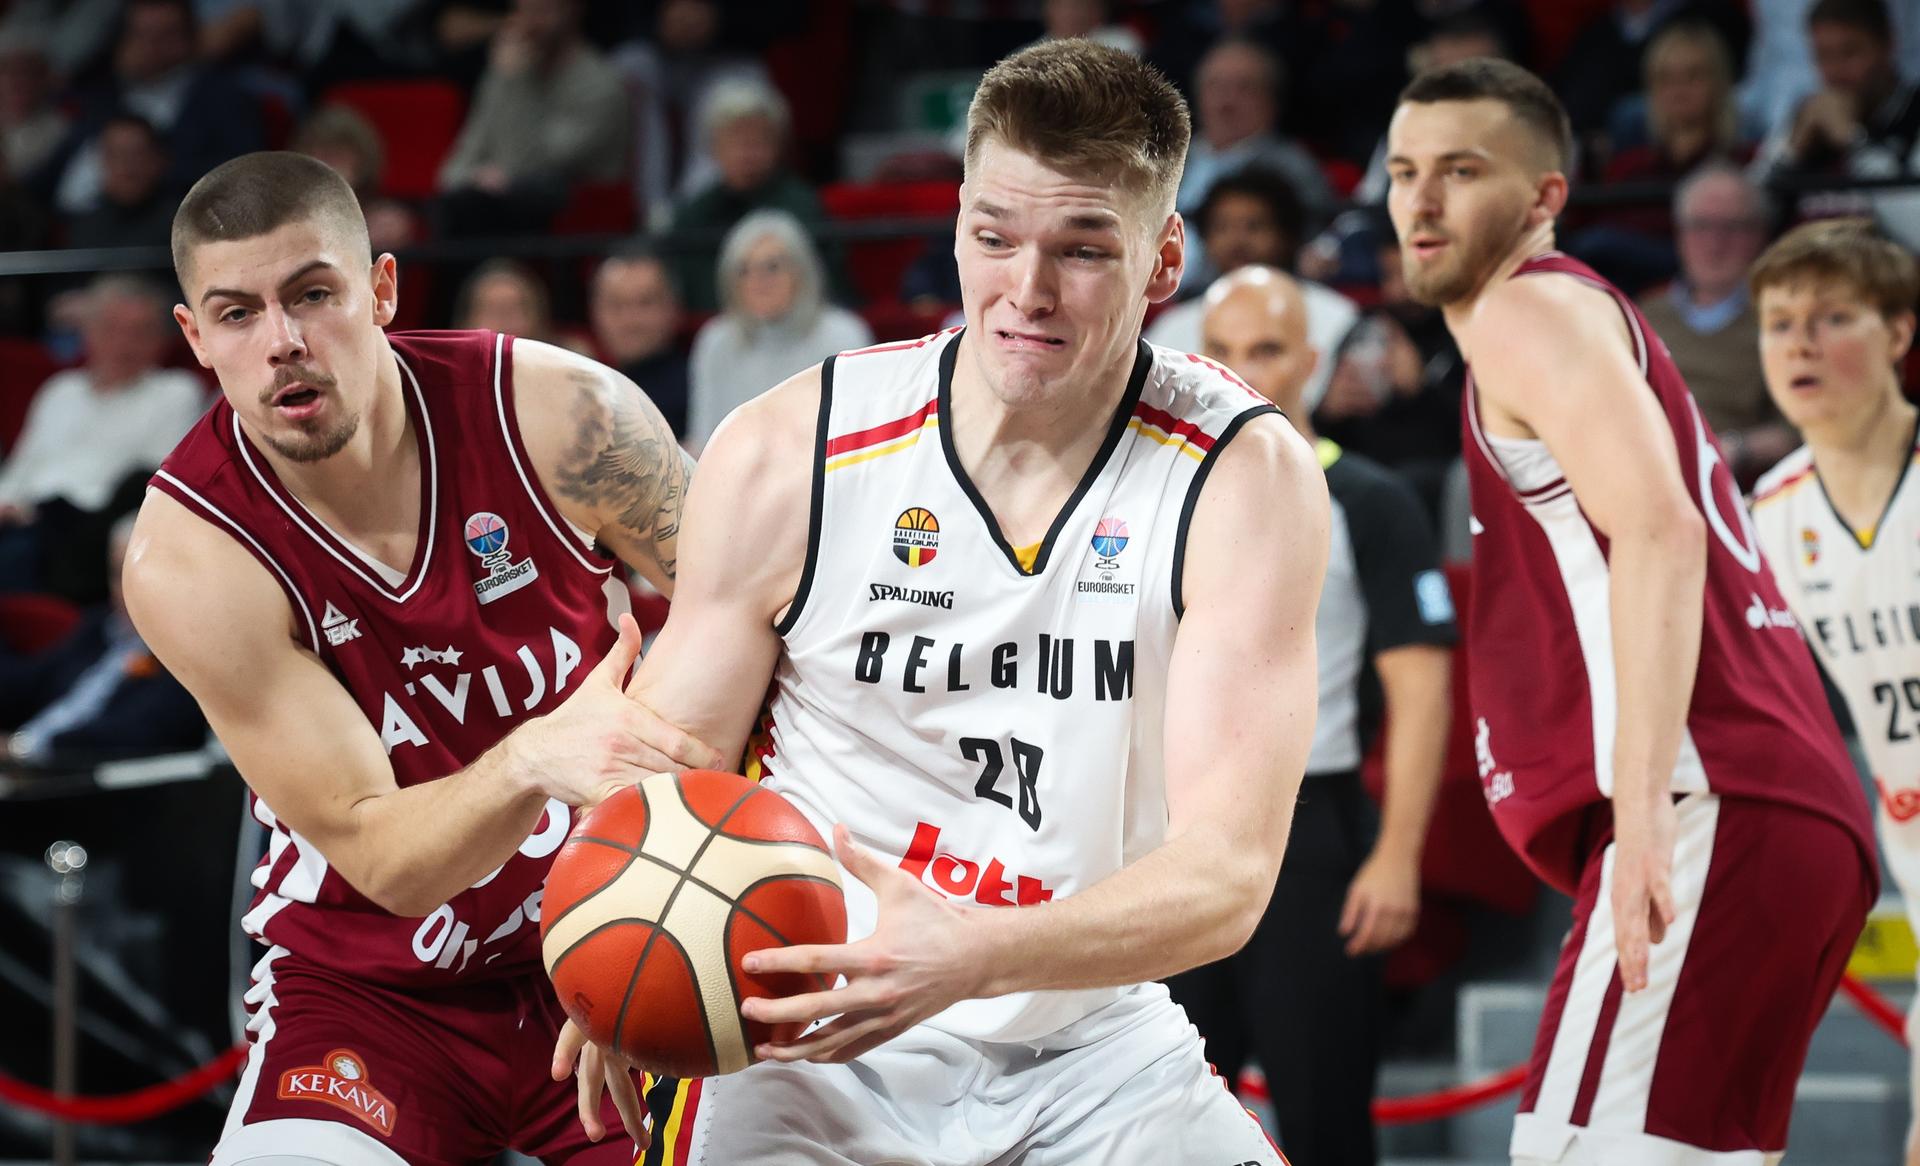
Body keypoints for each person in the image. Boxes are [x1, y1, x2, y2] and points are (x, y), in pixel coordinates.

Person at [561, 37, 1323, 1164]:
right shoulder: (791, 448)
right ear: (957, 217)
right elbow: (674, 751)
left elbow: (1226, 875)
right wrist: (614, 932)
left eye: (1082, 248)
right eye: (995, 236)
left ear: (1165, 259)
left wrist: (973, 950)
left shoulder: (1241, 477)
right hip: (811, 1028)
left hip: (1086, 1033)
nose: (1026, 289)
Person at [121, 150, 725, 1164]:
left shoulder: (559, 413)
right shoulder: (192, 557)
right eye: (236, 314)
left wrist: (688, 895)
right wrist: (535, 753)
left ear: (383, 289)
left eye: (313, 294)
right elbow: (387, 858)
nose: (284, 343)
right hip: (373, 992)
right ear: (195, 337)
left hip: (631, 920)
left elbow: (761, 619)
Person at [1384, 58, 1876, 1164]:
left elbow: (1664, 529)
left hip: (1711, 798)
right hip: (1770, 806)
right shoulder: (1586, 322)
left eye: (1460, 171)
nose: (1420, 201)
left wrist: (1647, 806)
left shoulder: (1527, 310)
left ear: (1546, 196)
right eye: (1405, 171)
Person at [1170, 265, 1454, 1166]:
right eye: (1222, 348)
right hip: (1169, 834)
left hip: (1312, 833)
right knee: (1160, 1125)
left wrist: (1398, 855)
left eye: (1267, 349)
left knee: (1326, 1119)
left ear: (1312, 358)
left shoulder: (1368, 498)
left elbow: (1422, 689)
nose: (1242, 368)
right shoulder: (1152, 489)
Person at [1746, 217, 1920, 1166]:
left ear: (1898, 333)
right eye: (1778, 322)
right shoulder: (1768, 515)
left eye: (1831, 317)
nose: (1800, 343)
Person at [0, 276, 206, 596]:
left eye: (140, 332)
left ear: (162, 340)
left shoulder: (175, 392)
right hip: (23, 523)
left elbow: (153, 479)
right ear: (88, 333)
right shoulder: (60, 391)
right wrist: (8, 503)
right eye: (111, 329)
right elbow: (20, 467)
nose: (123, 344)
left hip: (92, 531)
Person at [1145, 166, 1357, 411]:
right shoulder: (1175, 325)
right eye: (1222, 227)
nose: (1237, 241)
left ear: (1285, 233)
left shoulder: (1337, 314)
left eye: (1254, 226)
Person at [0, 513, 203, 763]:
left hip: (80, 783)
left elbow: (134, 732)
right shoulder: (100, 626)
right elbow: (31, 681)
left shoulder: (189, 655)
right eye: (118, 574)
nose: (127, 589)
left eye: (139, 574)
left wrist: (23, 749)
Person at [1636, 163, 1795, 481]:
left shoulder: (1785, 319)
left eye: (1733, 227)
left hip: (1731, 479)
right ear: (1680, 234)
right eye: (1700, 226)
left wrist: (1738, 448)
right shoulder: (1644, 312)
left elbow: (1800, 428)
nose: (1715, 243)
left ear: (1761, 234)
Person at [435, 0, 629, 237]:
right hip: (491, 212)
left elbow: (531, 167)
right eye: (522, 9)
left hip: (566, 229)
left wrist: (514, 82)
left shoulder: (600, 87)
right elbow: (453, 171)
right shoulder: (504, 74)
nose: (528, 22)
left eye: (542, 10)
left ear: (573, 11)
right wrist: (475, 179)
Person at [684, 209, 871, 450]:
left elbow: (859, 437)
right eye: (744, 270)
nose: (758, 280)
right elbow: (704, 442)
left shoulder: (844, 335)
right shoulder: (715, 341)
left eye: (772, 266)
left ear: (801, 272)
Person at [664, 78, 846, 313]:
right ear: (713, 147)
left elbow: (829, 284)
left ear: (778, 145)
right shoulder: (694, 214)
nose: (747, 153)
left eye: (758, 141)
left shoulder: (803, 206)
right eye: (736, 141)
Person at [1754, 0, 1920, 248]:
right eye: (1823, 56)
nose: (1835, 71)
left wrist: (1855, 141)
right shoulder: (1808, 117)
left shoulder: (1913, 113)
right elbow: (1741, 219)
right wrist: (1791, 153)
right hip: (1802, 276)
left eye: (1849, 52)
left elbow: (1917, 229)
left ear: (1888, 45)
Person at [1175, 39, 1333, 229]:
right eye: (1215, 86)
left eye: (1244, 88)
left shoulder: (1292, 169)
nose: (1226, 102)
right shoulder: (1173, 157)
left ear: (1271, 102)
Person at [588, 248, 689, 440]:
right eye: (616, 305)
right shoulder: (582, 389)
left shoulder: (700, 386)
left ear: (674, 307)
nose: (630, 320)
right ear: (594, 312)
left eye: (645, 303)